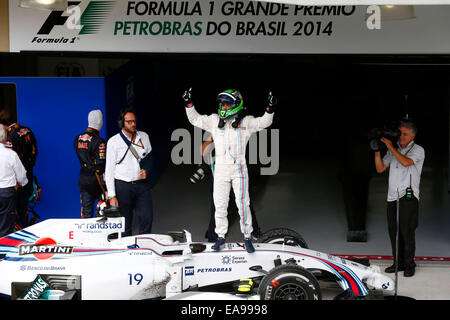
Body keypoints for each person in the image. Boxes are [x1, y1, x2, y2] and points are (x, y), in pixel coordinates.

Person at [182, 88, 276, 253]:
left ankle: (247, 237)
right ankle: (220, 237)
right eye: (222, 104)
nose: (224, 107)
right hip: (220, 169)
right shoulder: (213, 120)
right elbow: (195, 119)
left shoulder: (246, 122)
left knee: (243, 204)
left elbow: (264, 122)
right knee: (220, 205)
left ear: (236, 104)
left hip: (239, 169)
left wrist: (270, 109)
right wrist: (188, 104)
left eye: (227, 104)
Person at [374, 120, 425, 277]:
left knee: (407, 231)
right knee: (394, 232)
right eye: (400, 133)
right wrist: (376, 150)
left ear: (412, 135)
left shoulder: (418, 150)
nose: (401, 136)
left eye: (405, 134)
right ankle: (398, 263)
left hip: (408, 196)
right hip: (392, 196)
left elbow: (405, 162)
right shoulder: (394, 150)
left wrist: (390, 146)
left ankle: (409, 265)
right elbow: (380, 168)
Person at [190, 135, 262, 243]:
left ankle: (254, 231)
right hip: (219, 179)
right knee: (217, 207)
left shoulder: (238, 133)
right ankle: (213, 236)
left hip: (236, 178)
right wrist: (211, 137)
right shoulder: (215, 132)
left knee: (245, 205)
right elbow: (203, 151)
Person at [105, 107, 153, 236]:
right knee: (125, 223)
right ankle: (127, 250)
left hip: (142, 185)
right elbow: (109, 170)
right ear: (122, 123)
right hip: (123, 186)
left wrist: (147, 170)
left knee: (147, 218)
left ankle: (145, 246)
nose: (133, 124)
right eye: (129, 121)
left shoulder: (144, 136)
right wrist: (112, 195)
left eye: (134, 121)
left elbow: (149, 158)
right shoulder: (113, 142)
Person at [0, 109, 37, 229]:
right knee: (23, 209)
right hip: (28, 175)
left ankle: (16, 239)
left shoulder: (9, 137)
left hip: (15, 182)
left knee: (13, 215)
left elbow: (8, 161)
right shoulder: (27, 130)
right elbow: (35, 151)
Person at [74, 109, 107, 218]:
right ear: (99, 121)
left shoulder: (77, 139)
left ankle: (86, 235)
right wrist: (106, 188)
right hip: (97, 181)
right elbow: (101, 165)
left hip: (83, 180)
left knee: (86, 215)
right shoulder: (99, 142)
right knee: (102, 213)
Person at [0, 125, 28, 238]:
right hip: (6, 193)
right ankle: (2, 253)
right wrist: (24, 184)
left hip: (6, 192)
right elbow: (21, 176)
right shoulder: (10, 154)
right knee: (5, 225)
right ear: (5, 137)